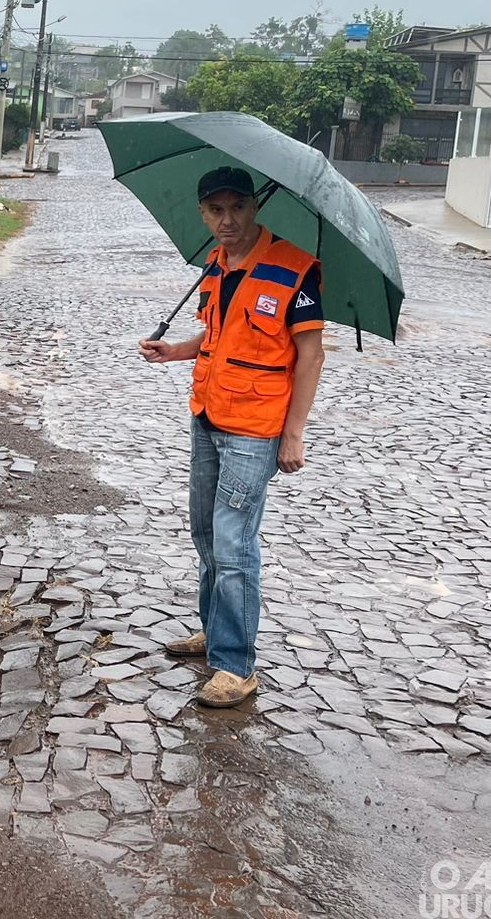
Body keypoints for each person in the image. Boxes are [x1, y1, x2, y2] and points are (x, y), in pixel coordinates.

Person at [138, 166, 325, 707]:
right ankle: (215, 632)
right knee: (205, 534)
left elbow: (310, 355)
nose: (227, 219)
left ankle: (236, 666)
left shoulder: (295, 270)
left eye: (236, 208)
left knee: (234, 542)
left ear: (253, 208)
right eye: (215, 210)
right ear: (202, 214)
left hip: (256, 428)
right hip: (208, 415)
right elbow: (219, 335)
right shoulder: (215, 267)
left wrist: (294, 435)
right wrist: (176, 350)